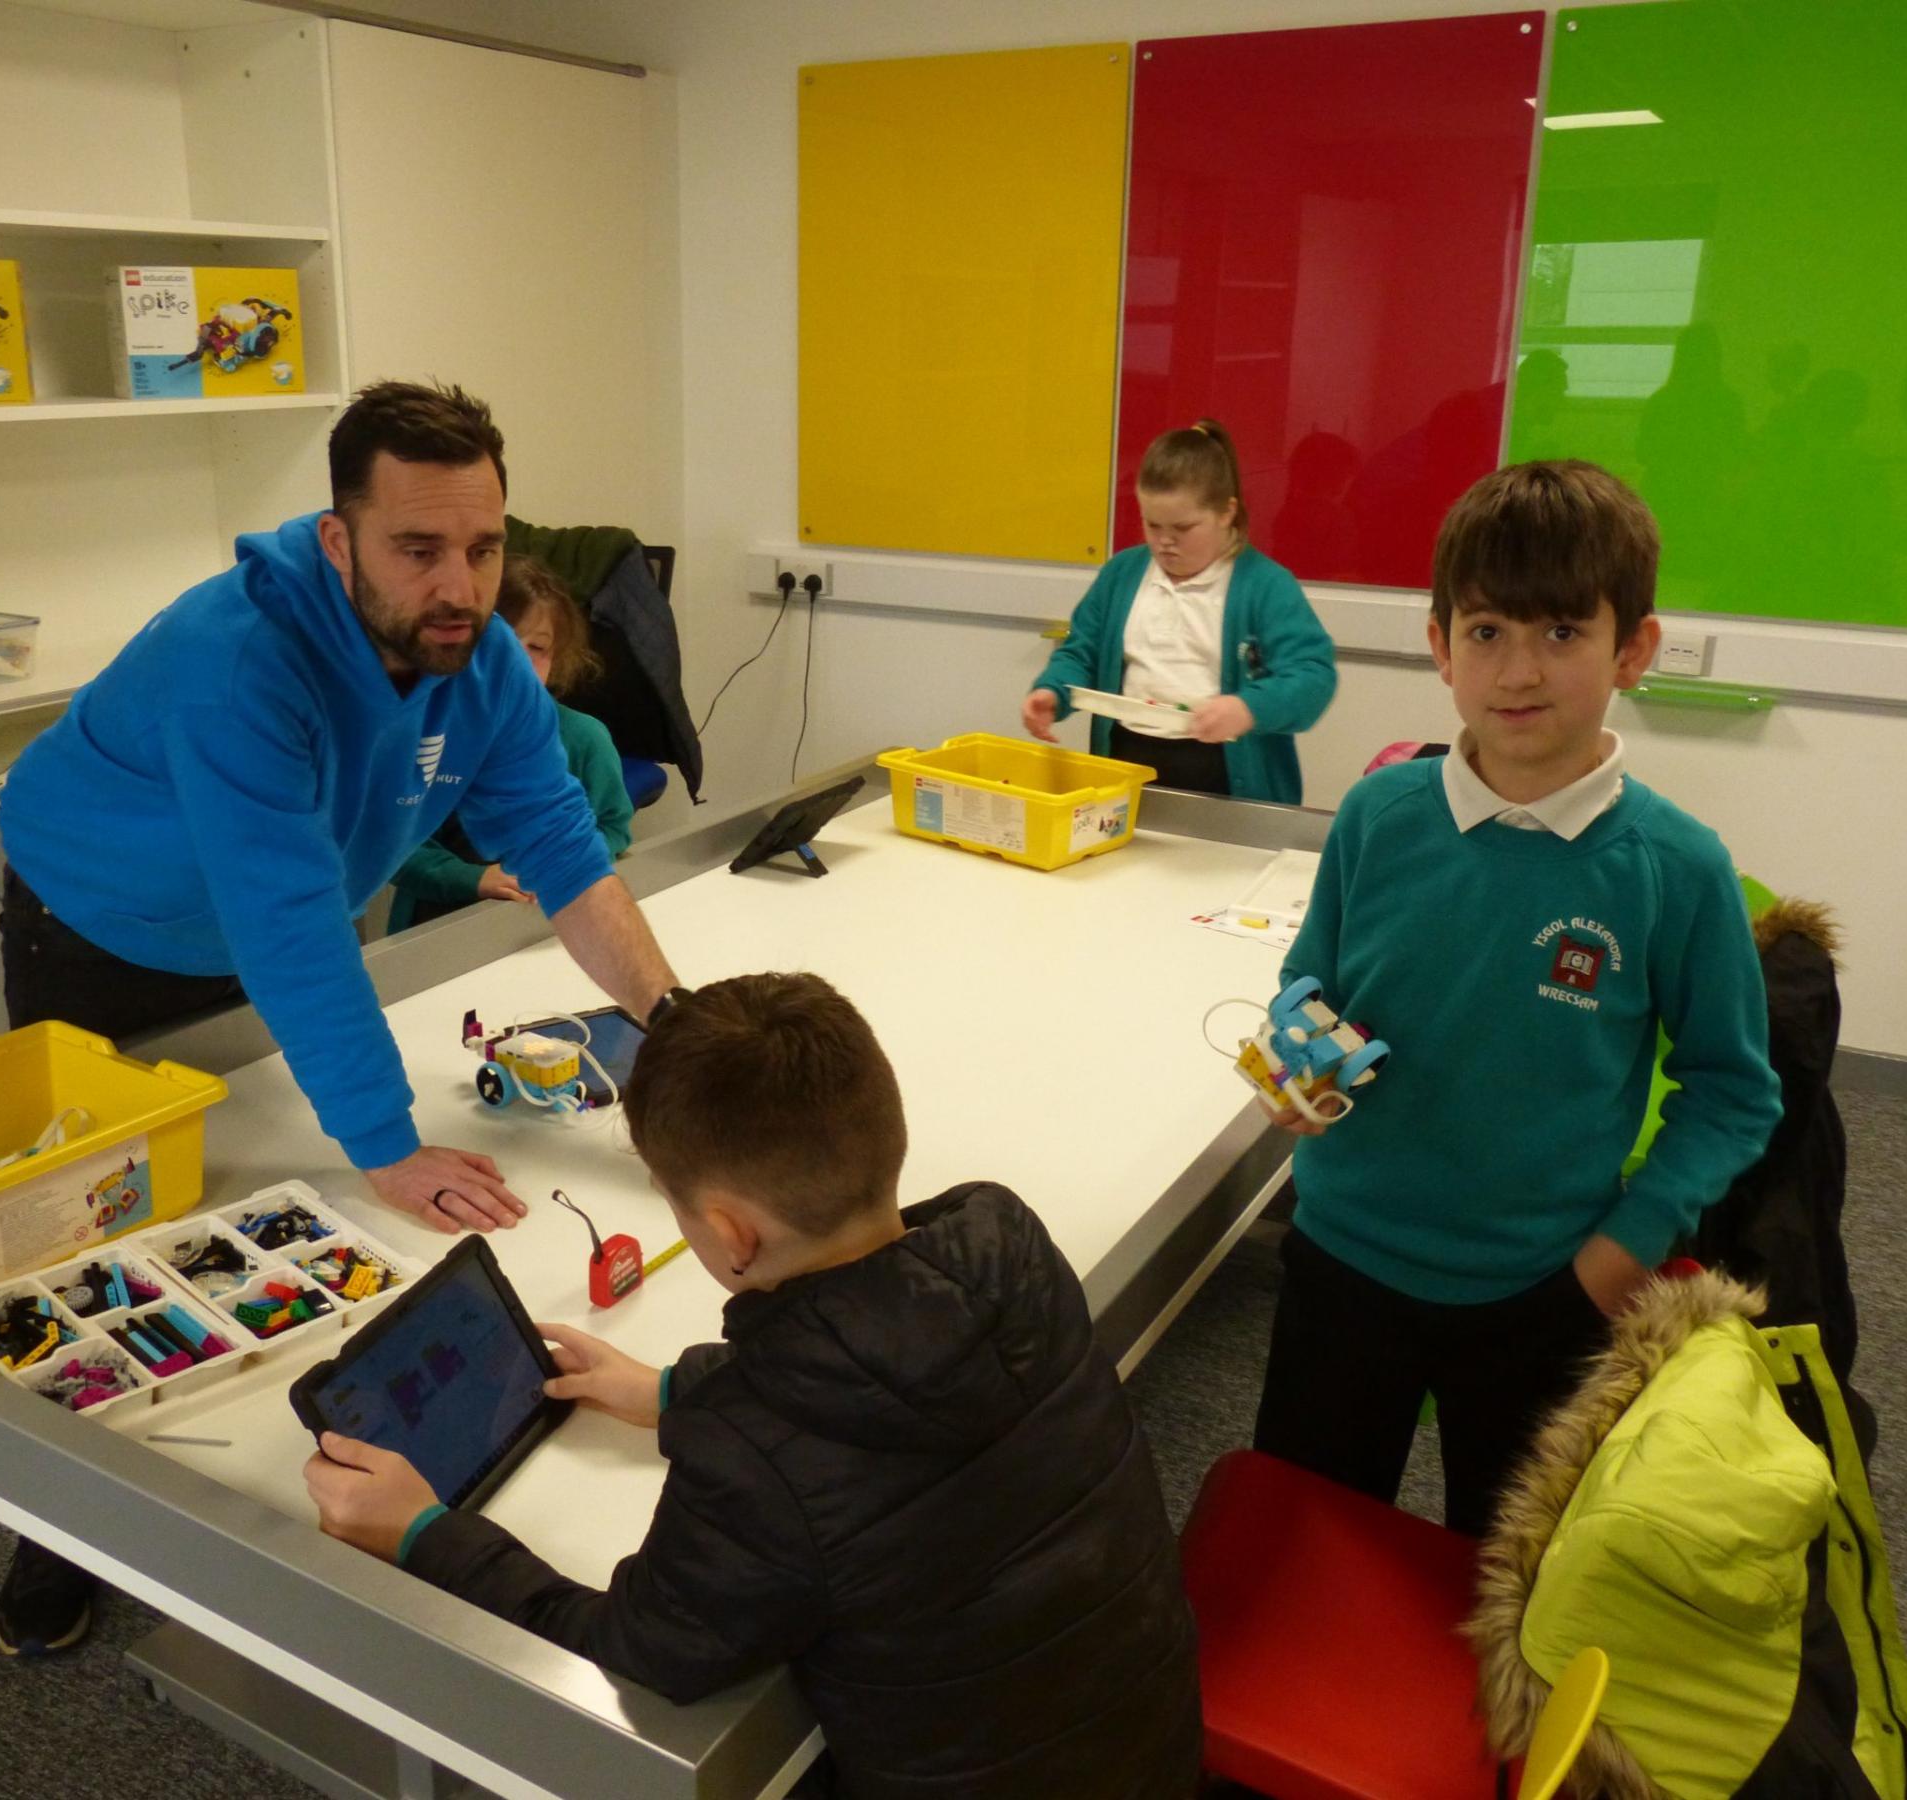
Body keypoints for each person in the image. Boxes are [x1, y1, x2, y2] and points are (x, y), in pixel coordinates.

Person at [0, 380, 691, 1656]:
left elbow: (565, 849)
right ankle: (54, 1532)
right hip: (104, 934)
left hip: (263, 923)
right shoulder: (238, 661)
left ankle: (252, 1482)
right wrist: (383, 1139)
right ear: (338, 538)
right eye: (418, 548)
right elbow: (291, 922)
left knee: (271, 1233)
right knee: (90, 1242)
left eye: (482, 549)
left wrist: (680, 1031)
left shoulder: (476, 660)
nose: (461, 587)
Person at [304, 973, 1201, 1800]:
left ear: (731, 1234)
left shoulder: (752, 1457)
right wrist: (667, 1390)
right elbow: (881, 1335)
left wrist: (424, 1534)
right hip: (1144, 1747)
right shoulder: (1005, 1243)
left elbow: (639, 1651)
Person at [1250, 460, 1782, 1539]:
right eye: (1487, 632)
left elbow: (1732, 1092)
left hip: (1542, 1292)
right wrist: (1296, 1050)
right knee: (1307, 1549)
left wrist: (1617, 1256)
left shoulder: (1676, 868)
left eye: (1561, 633)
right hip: (1342, 1258)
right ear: (1440, 644)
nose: (1519, 671)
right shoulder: (1378, 814)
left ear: (1632, 647)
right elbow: (1310, 980)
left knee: (1499, 1588)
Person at [1023, 419, 1335, 802]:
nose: (1165, 542)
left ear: (1226, 513)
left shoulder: (1266, 585)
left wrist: (1248, 707)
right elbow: (1081, 652)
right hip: (1127, 767)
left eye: (1183, 528)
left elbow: (1312, 676)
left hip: (1227, 783)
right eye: (1152, 525)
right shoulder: (1122, 574)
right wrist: (1052, 691)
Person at [386, 555, 633, 931]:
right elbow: (397, 850)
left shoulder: (585, 739)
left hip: (544, 922)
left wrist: (563, 863)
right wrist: (475, 879)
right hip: (438, 925)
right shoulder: (421, 736)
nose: (517, 662)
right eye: (500, 644)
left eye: (537, 648)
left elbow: (614, 827)